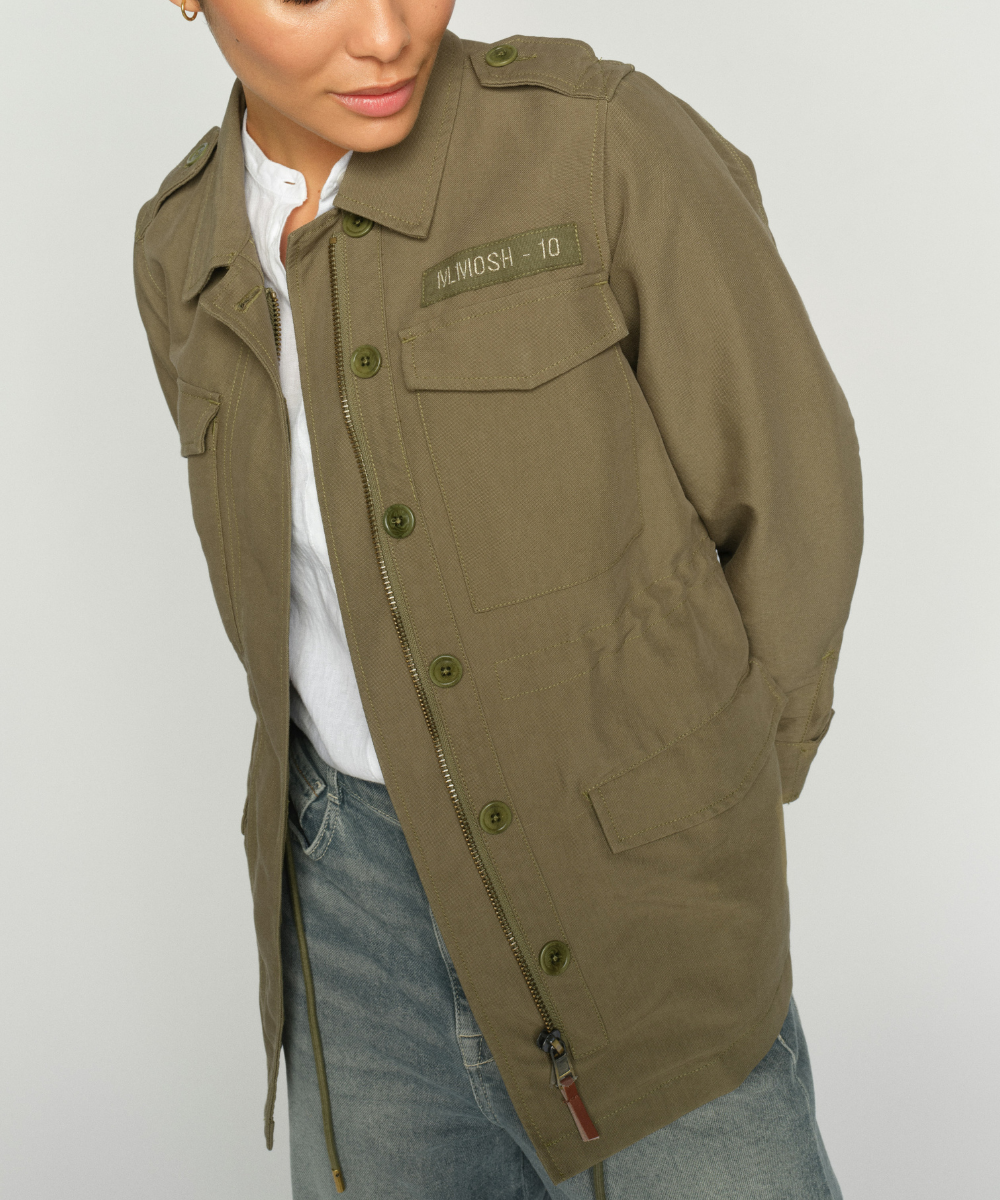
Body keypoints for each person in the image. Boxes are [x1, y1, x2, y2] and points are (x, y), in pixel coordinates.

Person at [135, 1, 863, 1196]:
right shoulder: (180, 248)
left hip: (633, 902)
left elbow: (788, 484)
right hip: (350, 917)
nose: (386, 34)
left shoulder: (600, 144)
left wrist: (704, 802)